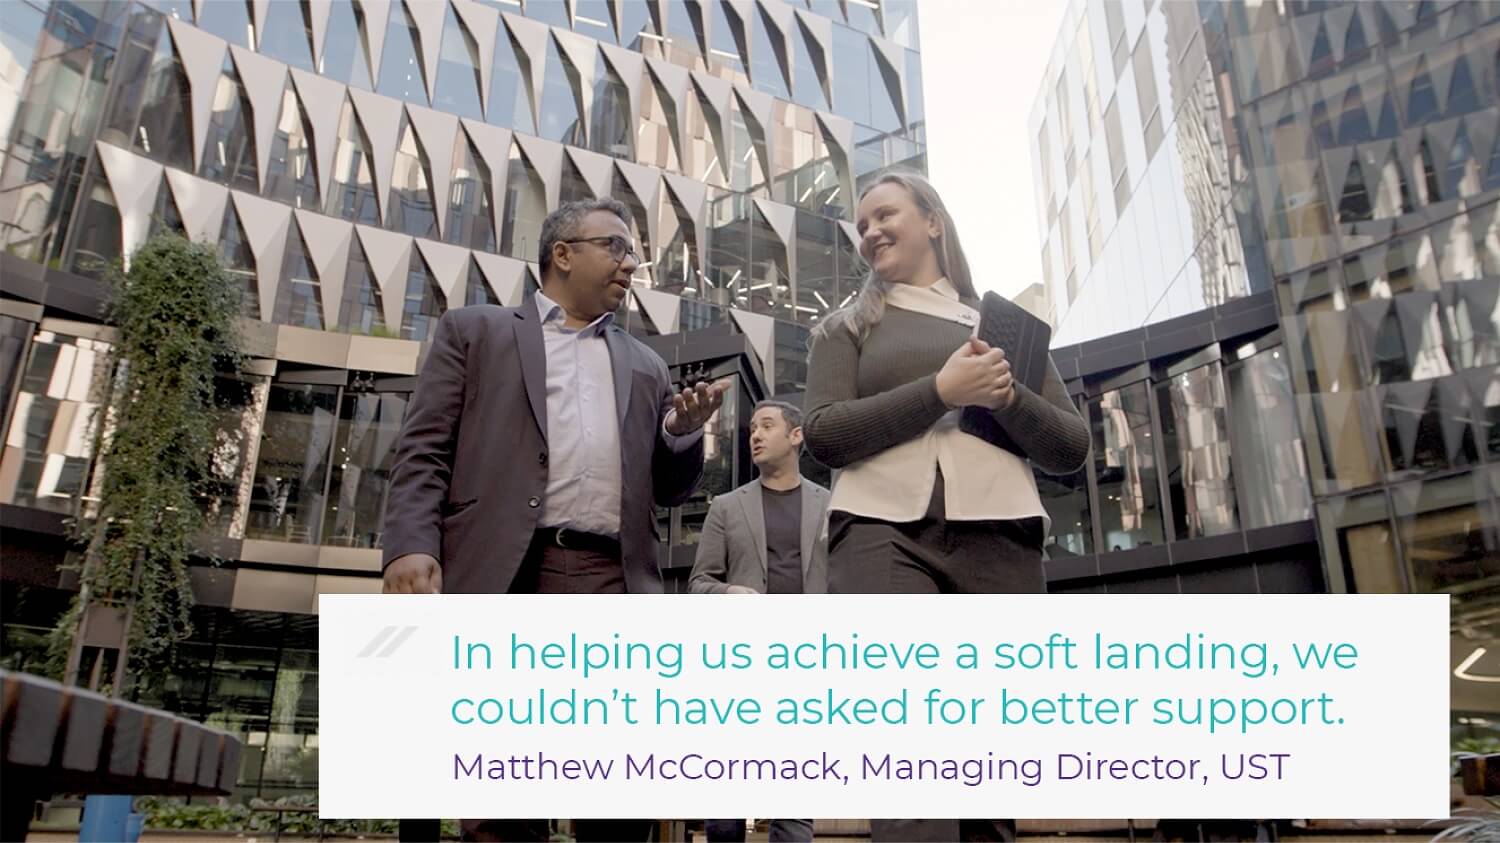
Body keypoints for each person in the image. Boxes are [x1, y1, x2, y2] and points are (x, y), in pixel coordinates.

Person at [383, 197, 726, 842]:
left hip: (611, 582)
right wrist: (409, 544)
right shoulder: (475, 332)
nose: (631, 263)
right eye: (617, 247)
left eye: (633, 252)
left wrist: (683, 434)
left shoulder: (646, 364)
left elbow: (669, 491)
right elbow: (423, 448)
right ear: (562, 254)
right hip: (505, 573)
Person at [801, 171, 1092, 842]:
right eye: (862, 223)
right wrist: (941, 388)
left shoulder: (1005, 330)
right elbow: (824, 435)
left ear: (933, 221)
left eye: (885, 214)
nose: (870, 230)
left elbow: (1071, 446)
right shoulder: (843, 327)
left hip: (999, 539)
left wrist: (1006, 396)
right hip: (881, 535)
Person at [688, 400, 827, 843]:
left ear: (796, 435)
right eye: (751, 428)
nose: (755, 435)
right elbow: (698, 583)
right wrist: (731, 593)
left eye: (767, 425)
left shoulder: (832, 506)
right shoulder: (726, 507)